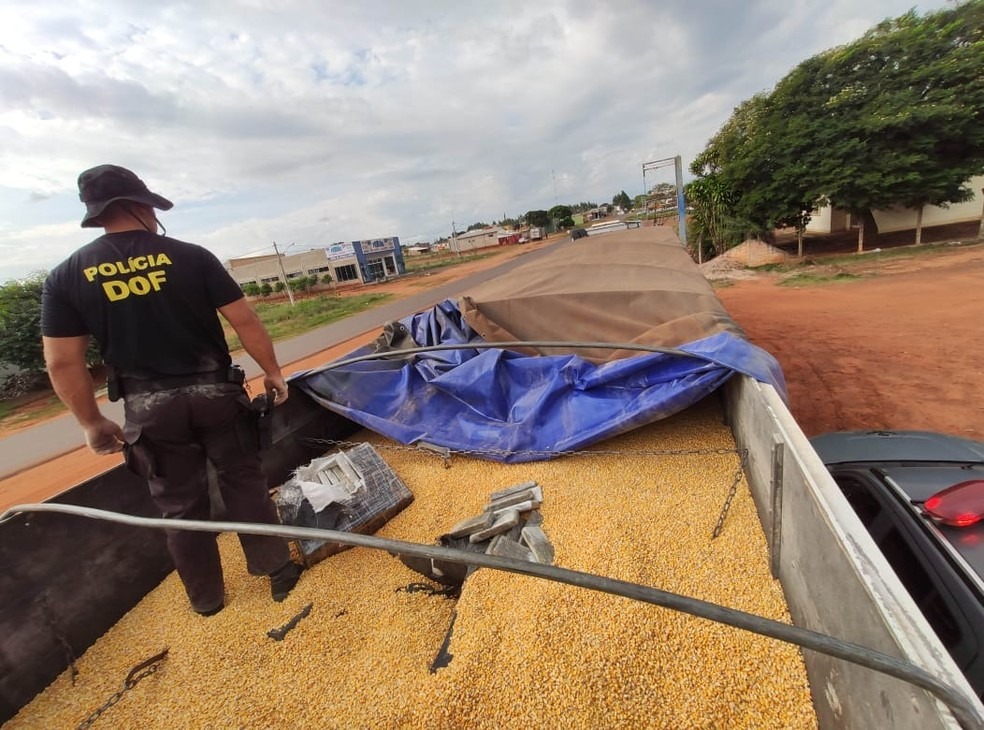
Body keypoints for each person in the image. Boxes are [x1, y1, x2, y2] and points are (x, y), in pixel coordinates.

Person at [40, 164, 302, 617]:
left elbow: (62, 361)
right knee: (243, 481)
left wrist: (92, 422)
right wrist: (273, 372)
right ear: (144, 206)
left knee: (180, 507)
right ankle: (277, 572)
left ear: (97, 215)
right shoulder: (191, 256)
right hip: (216, 396)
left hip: (149, 408)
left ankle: (207, 602)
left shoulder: (67, 277)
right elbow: (244, 321)